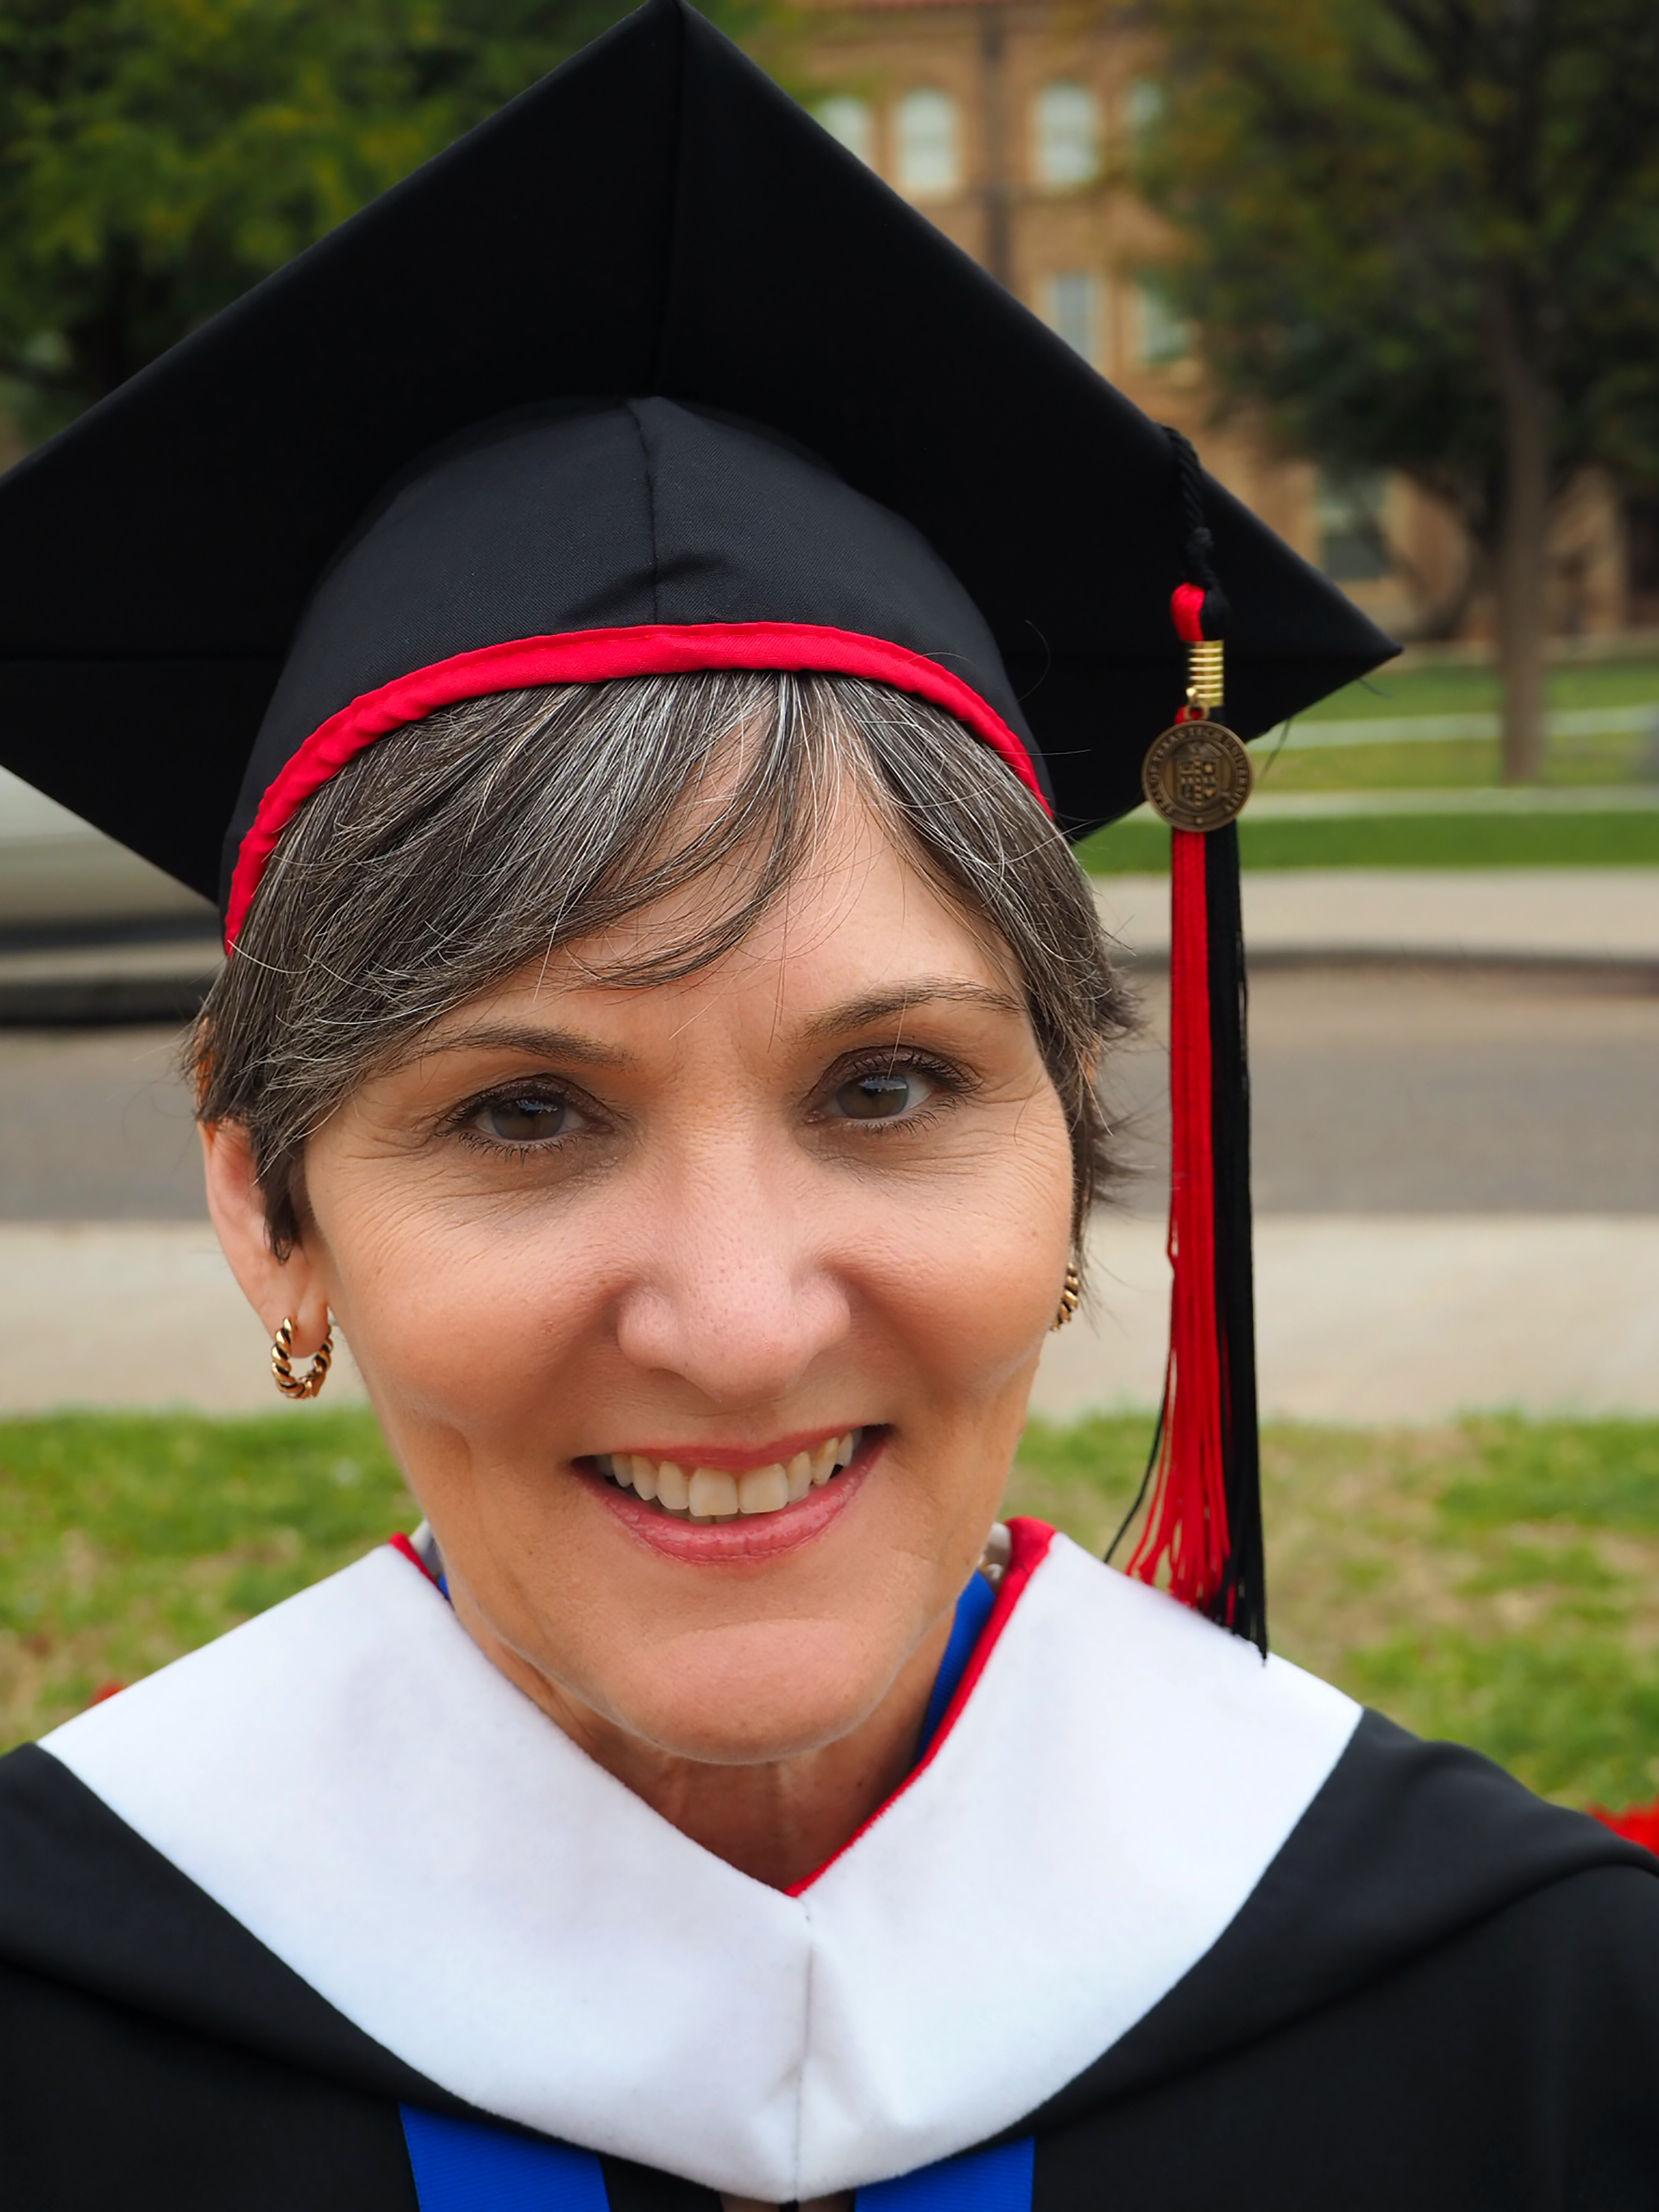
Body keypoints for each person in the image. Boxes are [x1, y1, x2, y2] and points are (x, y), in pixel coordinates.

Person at [1, 5, 1656, 2207]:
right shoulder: (52, 2035)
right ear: (263, 1204)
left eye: (888, 1083)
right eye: (522, 1114)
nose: (741, 1320)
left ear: (1072, 1135)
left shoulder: (1549, 2046)